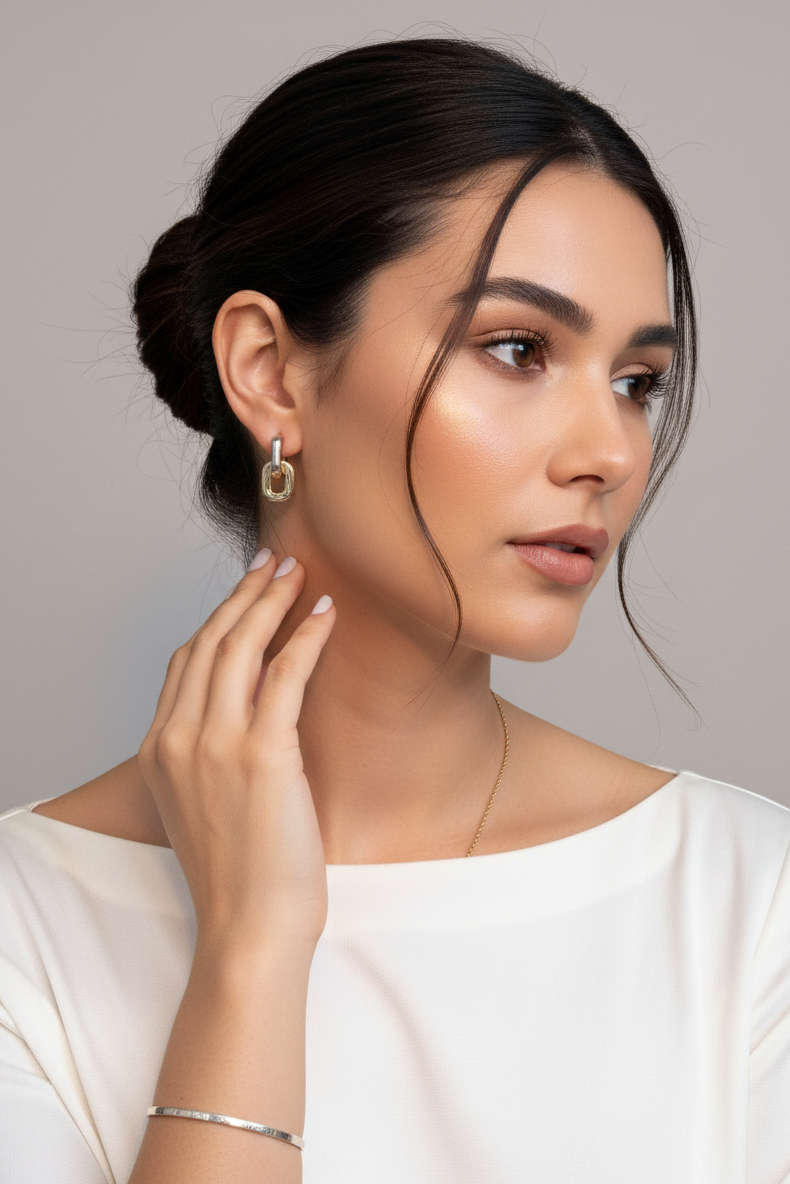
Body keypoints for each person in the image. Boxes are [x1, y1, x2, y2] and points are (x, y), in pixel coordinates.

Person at [0, 36, 787, 1184]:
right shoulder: (22, 933)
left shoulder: (749, 906)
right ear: (270, 370)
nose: (609, 451)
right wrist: (252, 952)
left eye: (637, 381)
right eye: (516, 348)